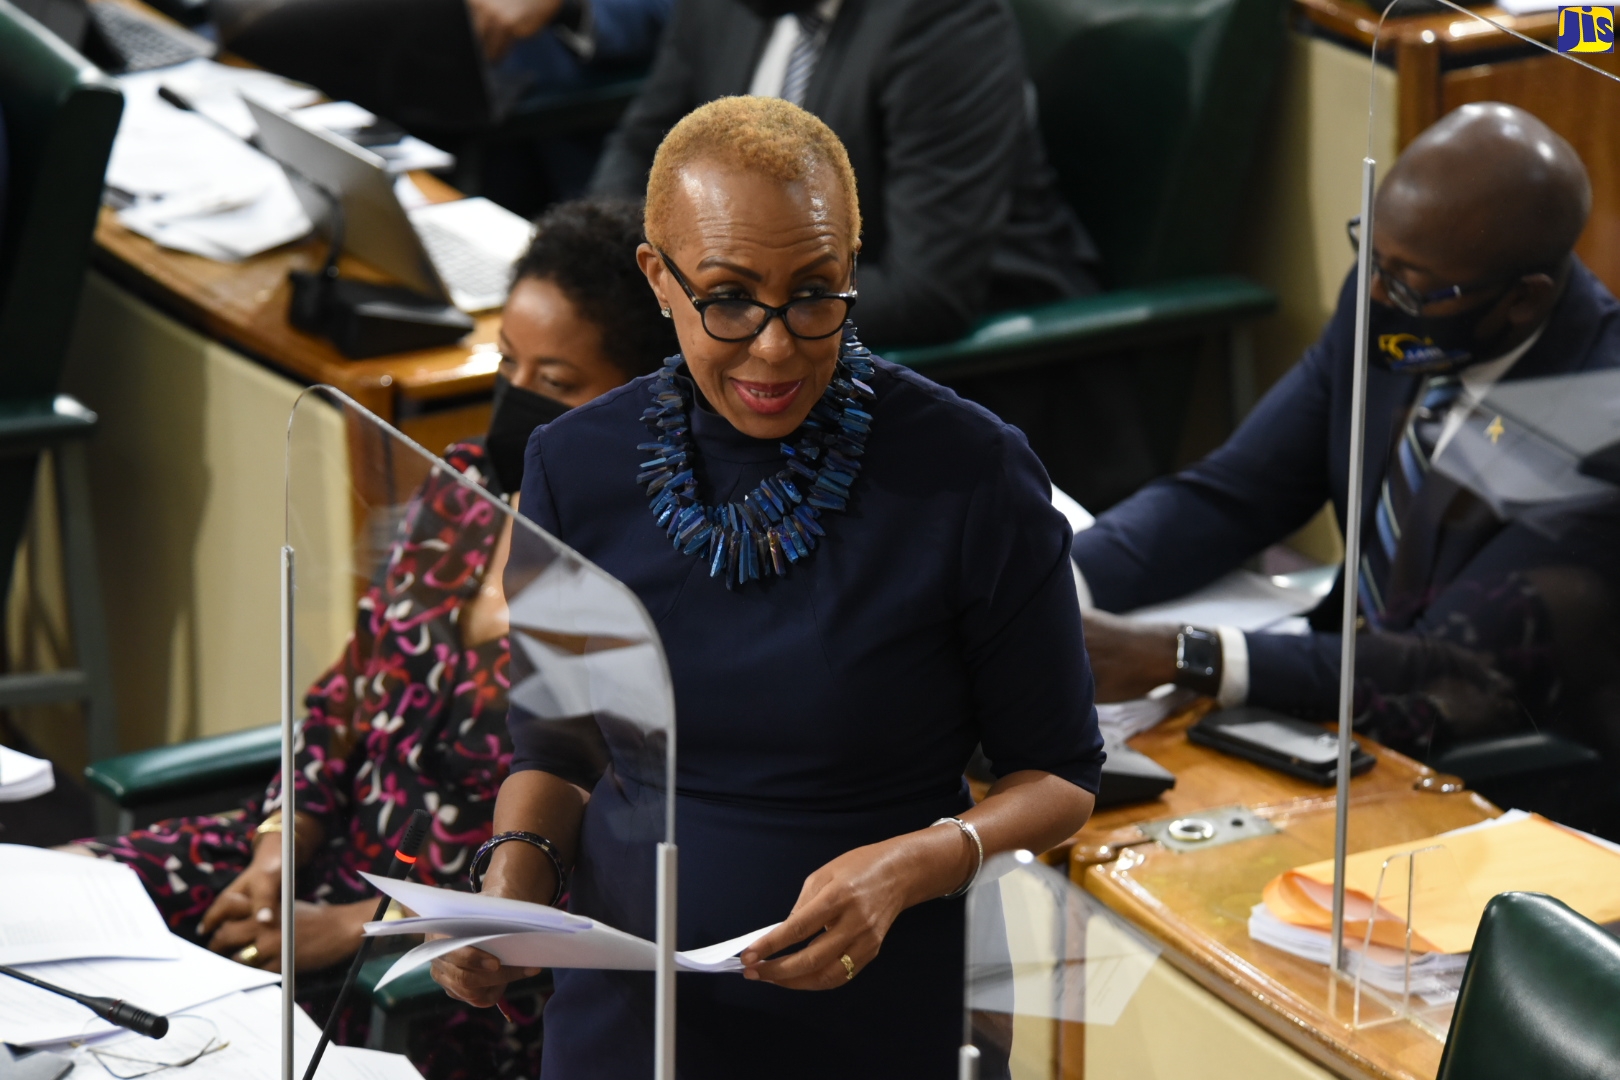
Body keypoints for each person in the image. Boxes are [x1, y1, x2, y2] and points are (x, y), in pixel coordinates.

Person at [430, 95, 1104, 1077]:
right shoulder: (573, 467)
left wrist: (918, 861)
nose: (778, 345)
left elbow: (1060, 775)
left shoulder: (970, 475)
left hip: (864, 1007)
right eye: (730, 298)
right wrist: (513, 879)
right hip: (629, 1010)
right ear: (659, 278)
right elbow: (559, 747)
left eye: (817, 292)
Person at [66, 198, 676, 1080]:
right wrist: (281, 850)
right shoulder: (461, 487)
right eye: (507, 360)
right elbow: (347, 691)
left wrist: (344, 929)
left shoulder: (637, 594)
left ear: (635, 398)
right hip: (318, 861)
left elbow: (597, 870)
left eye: (555, 381)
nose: (515, 397)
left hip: (448, 959)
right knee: (56, 901)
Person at [1073, 103, 1620, 766]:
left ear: (1523, 300)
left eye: (1409, 283)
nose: (1377, 296)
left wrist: (1181, 653)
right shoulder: (1392, 300)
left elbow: (1452, 667)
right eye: (1374, 256)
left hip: (1497, 773)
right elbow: (1231, 495)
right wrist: (1055, 584)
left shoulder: (1601, 421)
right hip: (1333, 709)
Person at [588, 0, 1099, 350]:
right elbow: (643, 146)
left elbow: (926, 293)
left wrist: (711, 304)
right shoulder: (725, 7)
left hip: (968, 361)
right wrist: (618, 269)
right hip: (759, 330)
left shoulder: (942, 19)